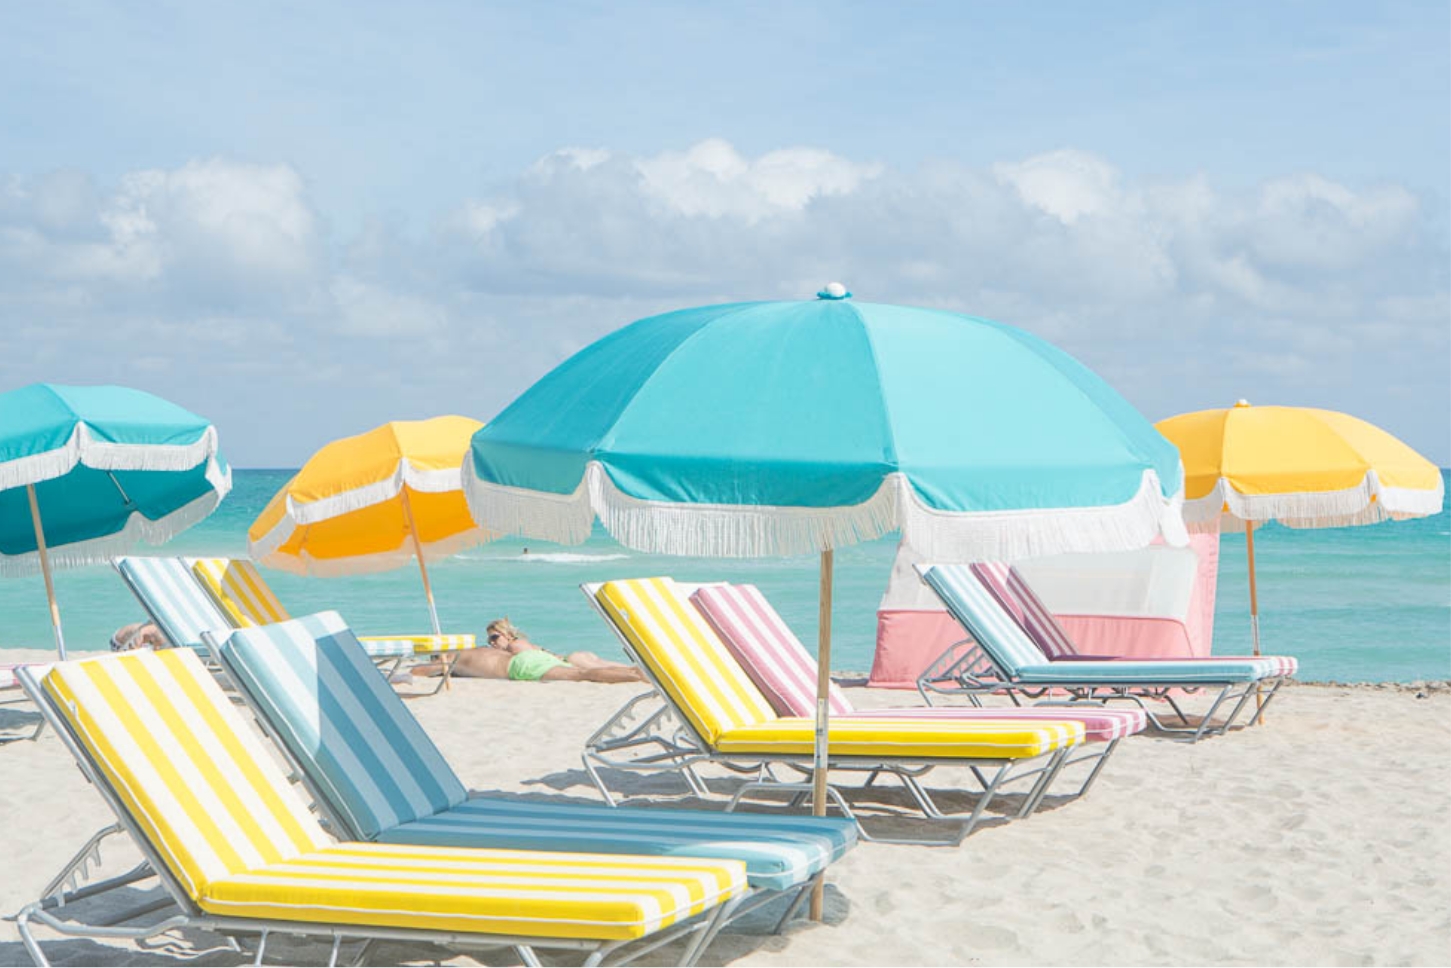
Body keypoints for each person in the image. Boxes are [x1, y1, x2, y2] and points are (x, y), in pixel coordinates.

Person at [412, 618, 647, 683]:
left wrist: (410, 672)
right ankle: (634, 672)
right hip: (528, 661)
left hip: (521, 667)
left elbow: (424, 670)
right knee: (578, 671)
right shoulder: (476, 650)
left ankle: (635, 675)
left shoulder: (455, 661)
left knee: (580, 675)